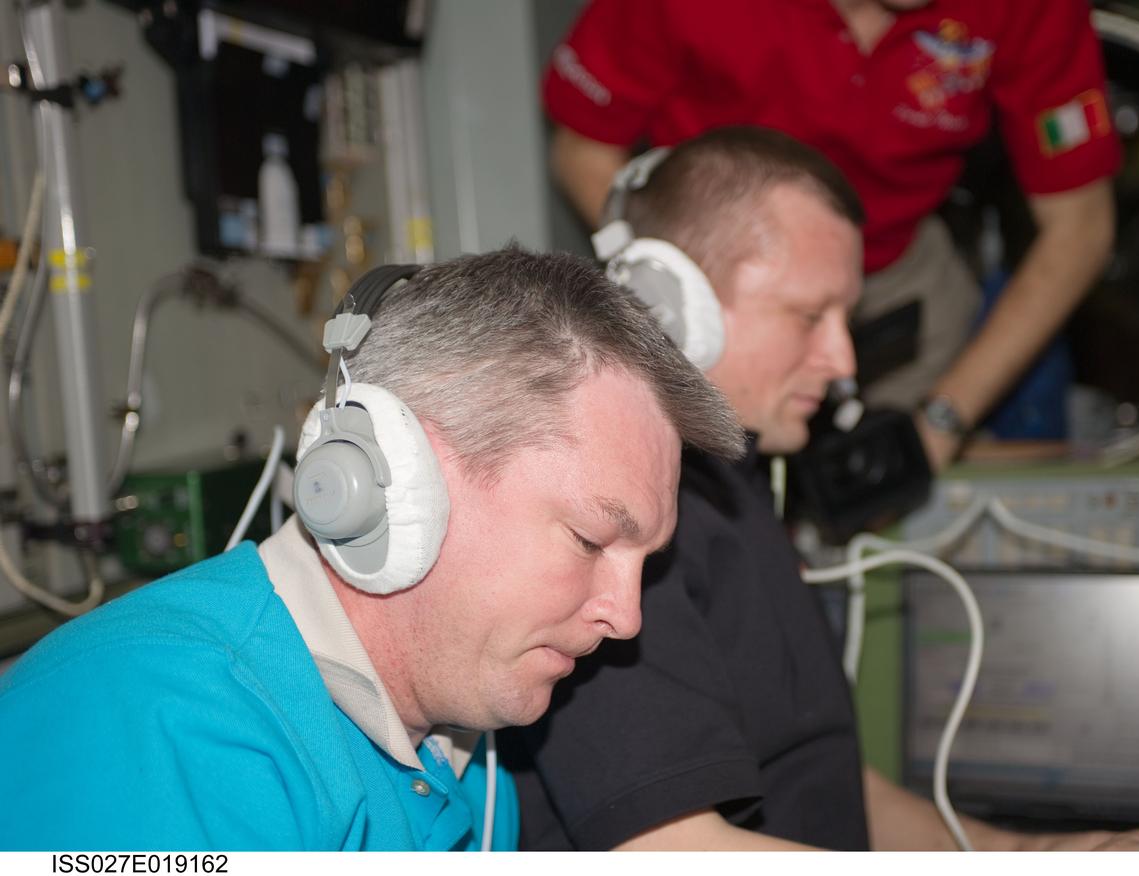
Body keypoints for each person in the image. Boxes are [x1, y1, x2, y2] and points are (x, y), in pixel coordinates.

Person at [501, 128, 1139, 851]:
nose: (843, 362)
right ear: (670, 303)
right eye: (810, 316)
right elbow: (670, 851)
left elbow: (829, 785)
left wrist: (1039, 854)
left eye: (847, 320)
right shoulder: (631, 524)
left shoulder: (737, 489)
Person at [0, 248, 744, 851]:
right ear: (398, 477)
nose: (626, 618)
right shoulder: (161, 730)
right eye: (589, 539)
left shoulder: (469, 766)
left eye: (643, 565)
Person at [542, 0, 1120, 468]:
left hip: (899, 271)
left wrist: (946, 417)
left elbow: (1081, 224)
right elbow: (583, 146)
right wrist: (678, 289)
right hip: (724, 282)